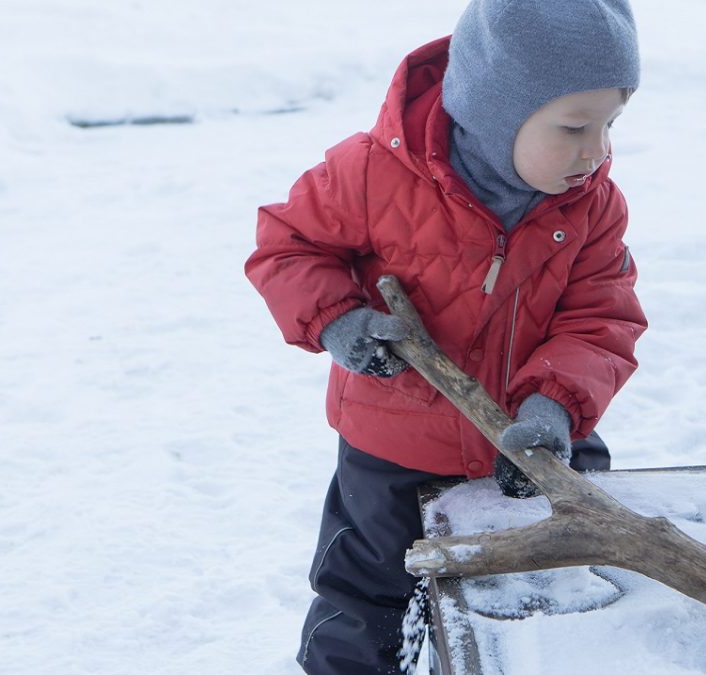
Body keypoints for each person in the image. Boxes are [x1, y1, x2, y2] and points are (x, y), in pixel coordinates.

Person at [244, 1, 646, 672]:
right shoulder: (371, 173)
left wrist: (554, 406)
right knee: (364, 599)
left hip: (532, 442)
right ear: (496, 110)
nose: (596, 150)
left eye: (610, 123)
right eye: (575, 126)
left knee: (553, 590)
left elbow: (602, 317)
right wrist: (337, 319)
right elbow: (286, 247)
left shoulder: (592, 204)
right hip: (393, 450)